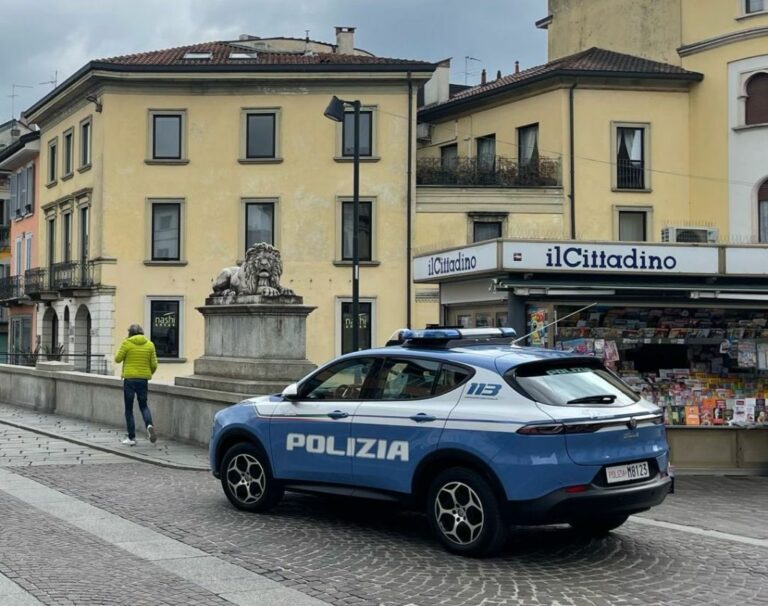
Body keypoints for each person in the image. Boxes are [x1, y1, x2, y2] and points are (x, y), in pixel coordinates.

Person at [114, 324, 158, 446]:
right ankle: (149, 425)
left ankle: (131, 437)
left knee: (129, 409)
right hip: (143, 380)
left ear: (130, 333)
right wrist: (148, 373)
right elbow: (154, 364)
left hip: (129, 380)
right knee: (143, 405)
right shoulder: (150, 344)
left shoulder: (127, 343)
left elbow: (117, 359)